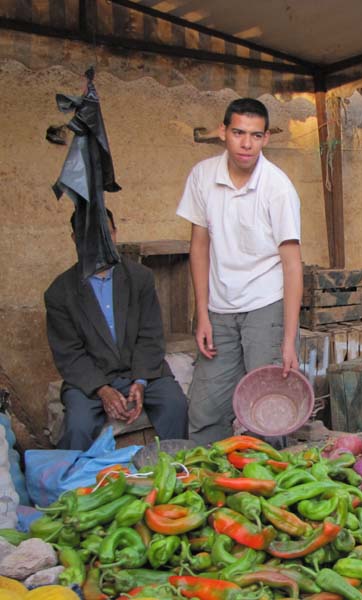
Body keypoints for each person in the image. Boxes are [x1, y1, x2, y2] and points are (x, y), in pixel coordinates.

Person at [177, 98, 302, 445]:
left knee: (269, 412)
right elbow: (199, 247)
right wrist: (201, 314)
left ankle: (267, 490)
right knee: (205, 410)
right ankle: (210, 486)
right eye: (238, 133)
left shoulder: (277, 188)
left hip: (266, 306)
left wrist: (288, 339)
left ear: (266, 139)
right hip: (219, 309)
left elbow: (292, 265)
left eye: (256, 135)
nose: (247, 144)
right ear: (223, 132)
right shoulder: (203, 176)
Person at [45, 209, 188, 450]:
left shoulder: (140, 278)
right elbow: (69, 354)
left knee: (175, 404)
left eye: (106, 233)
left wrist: (141, 381)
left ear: (115, 233)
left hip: (142, 372)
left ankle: (176, 471)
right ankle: (79, 483)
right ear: (74, 239)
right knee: (78, 425)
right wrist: (102, 390)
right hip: (91, 380)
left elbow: (150, 335)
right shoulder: (60, 292)